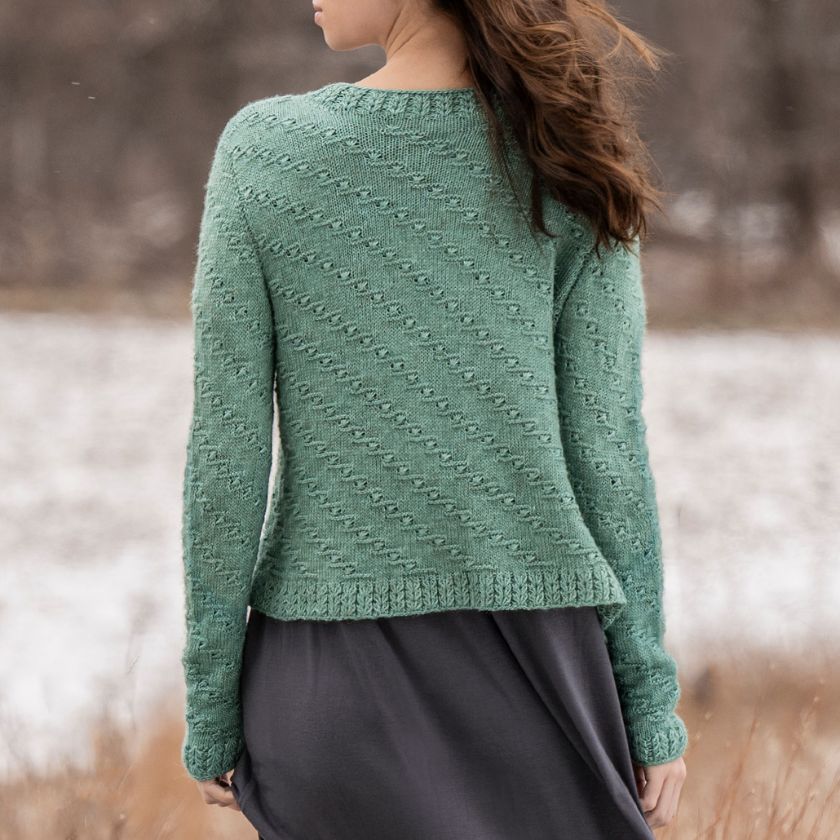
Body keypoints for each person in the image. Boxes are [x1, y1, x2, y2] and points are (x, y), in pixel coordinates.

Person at [179, 0, 689, 836]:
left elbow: (226, 456)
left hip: (327, 683)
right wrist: (648, 699)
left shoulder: (265, 153)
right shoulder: (570, 151)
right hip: (539, 675)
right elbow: (609, 454)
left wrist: (211, 705)